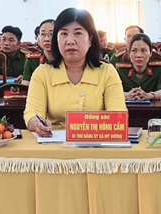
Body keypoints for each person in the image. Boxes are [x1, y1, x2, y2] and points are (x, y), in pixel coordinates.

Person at [23, 8, 126, 136]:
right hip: (54, 142)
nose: (70, 41)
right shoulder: (42, 73)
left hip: (95, 140)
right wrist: (36, 124)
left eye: (78, 33)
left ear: (90, 40)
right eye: (64, 34)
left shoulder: (107, 72)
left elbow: (118, 112)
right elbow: (32, 112)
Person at [117, 33, 161, 101]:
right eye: (134, 50)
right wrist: (126, 95)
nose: (139, 55)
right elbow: (112, 91)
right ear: (129, 53)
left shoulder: (159, 69)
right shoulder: (120, 70)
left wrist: (150, 95)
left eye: (143, 51)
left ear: (150, 53)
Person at [22, 19, 54, 85]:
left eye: (51, 34)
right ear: (38, 39)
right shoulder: (32, 60)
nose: (47, 39)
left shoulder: (68, 59)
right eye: (42, 34)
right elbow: (25, 84)